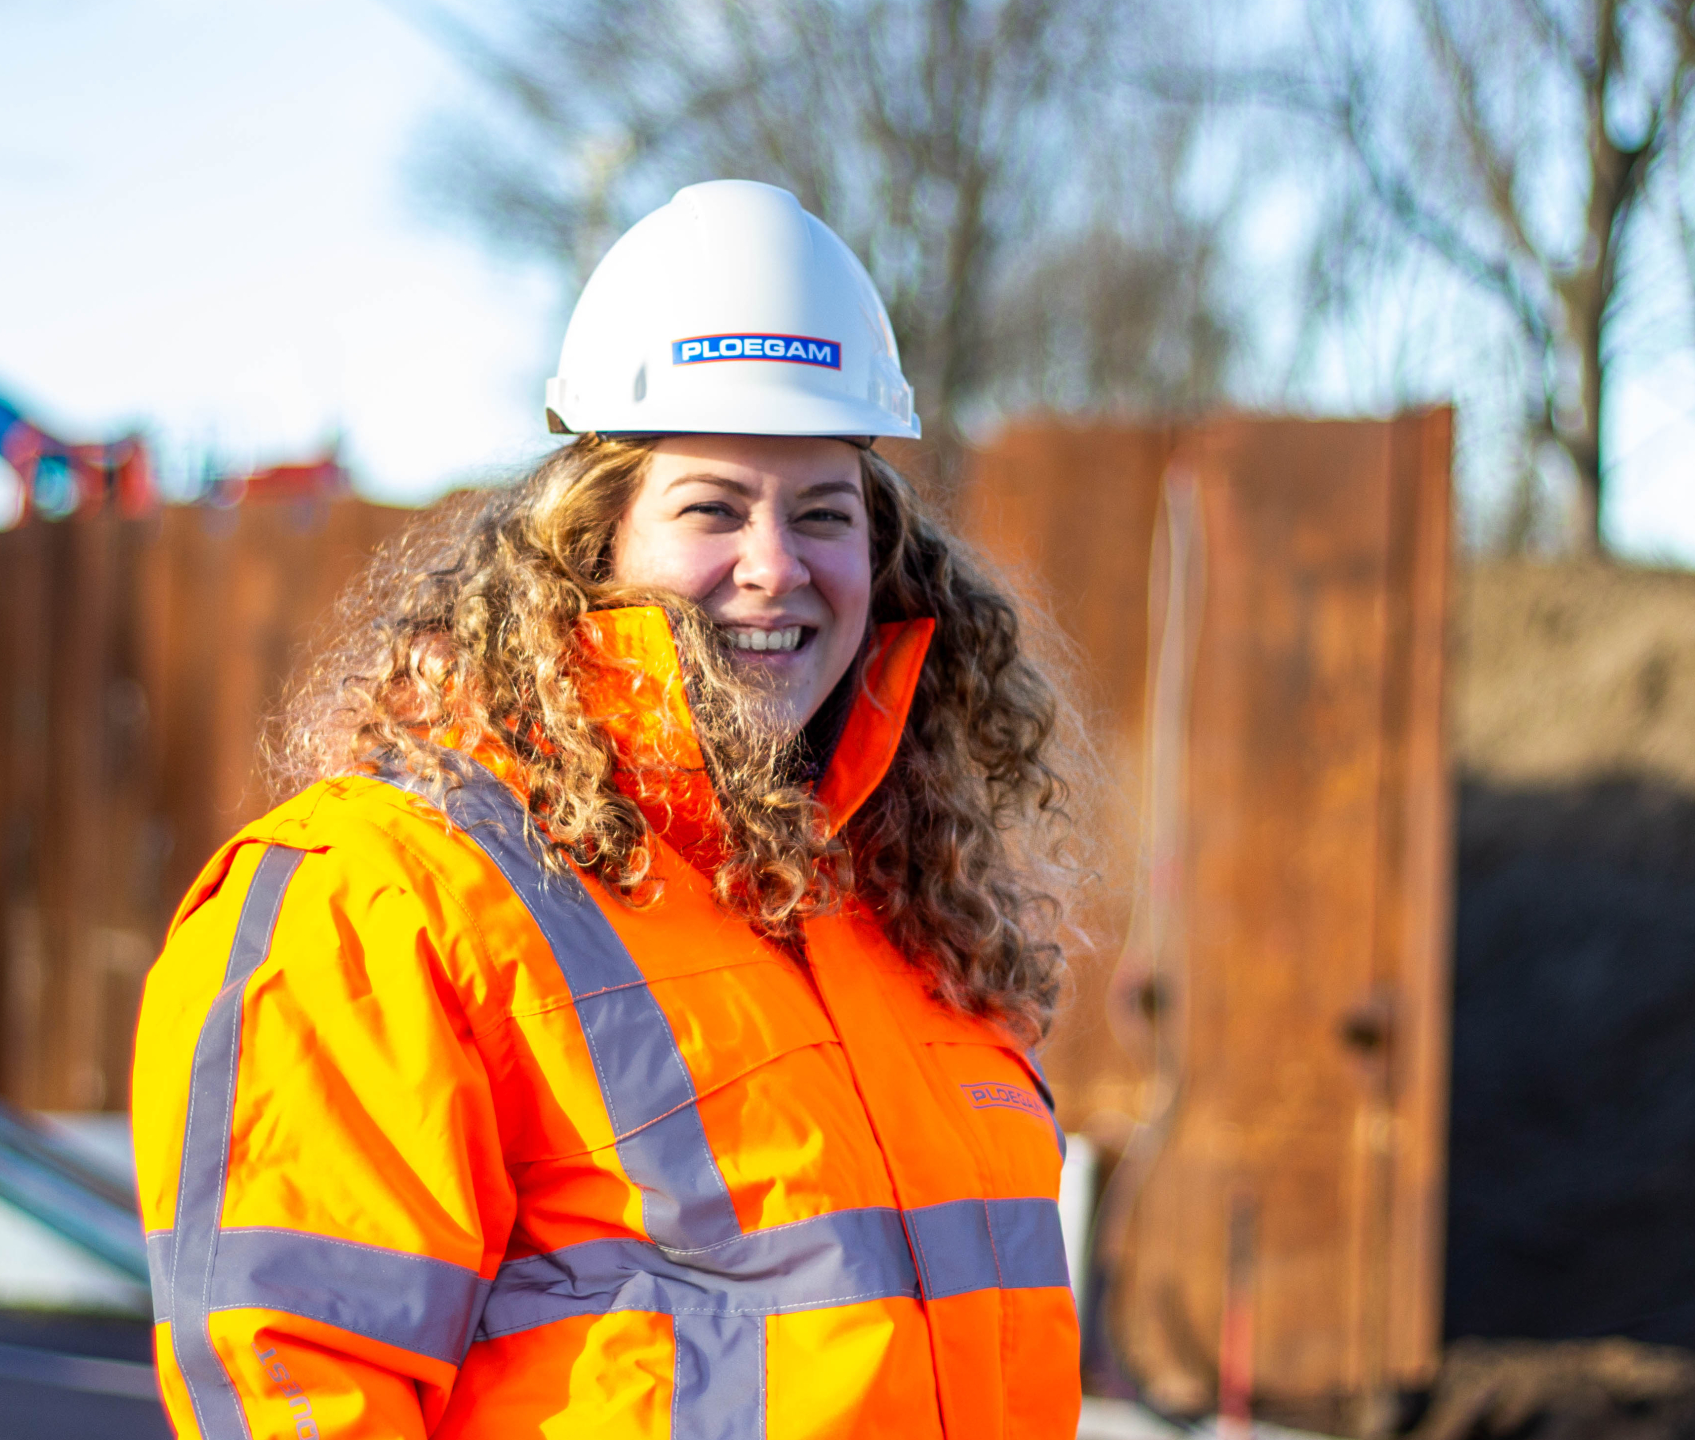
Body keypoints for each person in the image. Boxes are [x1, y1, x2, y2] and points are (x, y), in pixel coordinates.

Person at [132, 179, 1084, 1439]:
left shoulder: (896, 910)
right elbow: (296, 1387)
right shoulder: (384, 902)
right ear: (590, 539)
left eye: (822, 512)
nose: (773, 566)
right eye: (710, 506)